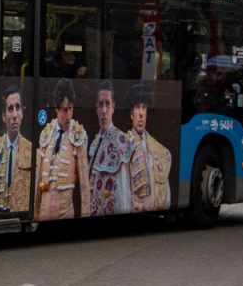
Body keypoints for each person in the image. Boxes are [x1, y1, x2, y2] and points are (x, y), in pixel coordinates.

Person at [36, 78, 89, 220]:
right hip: (43, 215)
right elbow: (38, 179)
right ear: (56, 108)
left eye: (71, 109)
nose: (69, 115)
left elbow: (84, 184)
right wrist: (35, 213)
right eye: (65, 110)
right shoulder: (46, 134)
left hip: (65, 215)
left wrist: (86, 216)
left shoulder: (78, 135)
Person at [87, 79, 131, 216]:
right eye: (101, 104)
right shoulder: (95, 143)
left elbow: (123, 197)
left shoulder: (120, 141)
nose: (104, 110)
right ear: (96, 109)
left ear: (113, 108)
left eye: (108, 104)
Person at [125, 83, 172, 212]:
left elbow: (166, 195)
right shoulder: (122, 145)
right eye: (137, 108)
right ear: (131, 114)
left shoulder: (160, 150)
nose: (141, 113)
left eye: (144, 108)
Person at [0, 84, 32, 214]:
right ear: (4, 116)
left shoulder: (32, 152)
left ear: (22, 113)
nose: (15, 114)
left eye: (18, 108)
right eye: (10, 109)